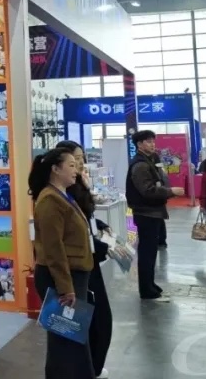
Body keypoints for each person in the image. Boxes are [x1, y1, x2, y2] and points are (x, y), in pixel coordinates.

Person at [30, 147, 95, 379]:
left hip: (73, 275)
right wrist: (65, 287)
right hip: (60, 277)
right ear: (55, 170)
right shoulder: (50, 200)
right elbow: (53, 248)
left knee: (74, 337)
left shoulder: (64, 195)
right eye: (71, 165)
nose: (76, 170)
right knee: (63, 340)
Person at [57, 141, 112, 379]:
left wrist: (98, 227)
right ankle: (88, 369)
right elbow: (59, 239)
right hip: (76, 266)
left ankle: (91, 368)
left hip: (87, 262)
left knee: (95, 321)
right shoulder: (57, 194)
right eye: (74, 159)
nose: (79, 163)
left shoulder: (78, 185)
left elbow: (83, 220)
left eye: (80, 158)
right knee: (83, 322)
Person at [126, 130, 184, 302]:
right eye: (148, 141)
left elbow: (159, 180)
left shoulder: (151, 160)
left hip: (153, 211)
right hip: (146, 212)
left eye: (153, 141)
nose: (152, 144)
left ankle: (150, 285)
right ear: (139, 144)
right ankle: (146, 290)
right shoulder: (140, 165)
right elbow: (147, 190)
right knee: (147, 252)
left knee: (151, 252)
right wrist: (170, 191)